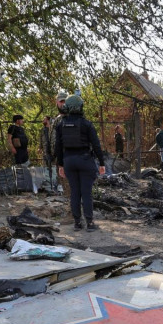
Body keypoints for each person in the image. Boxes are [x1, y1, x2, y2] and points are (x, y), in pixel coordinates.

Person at [55, 95, 106, 231]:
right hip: (85, 160)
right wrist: (101, 163)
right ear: (80, 107)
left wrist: (60, 165)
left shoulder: (61, 125)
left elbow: (58, 147)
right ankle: (89, 223)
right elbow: (96, 145)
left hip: (69, 161)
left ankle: (77, 223)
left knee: (75, 192)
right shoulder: (86, 124)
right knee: (86, 192)